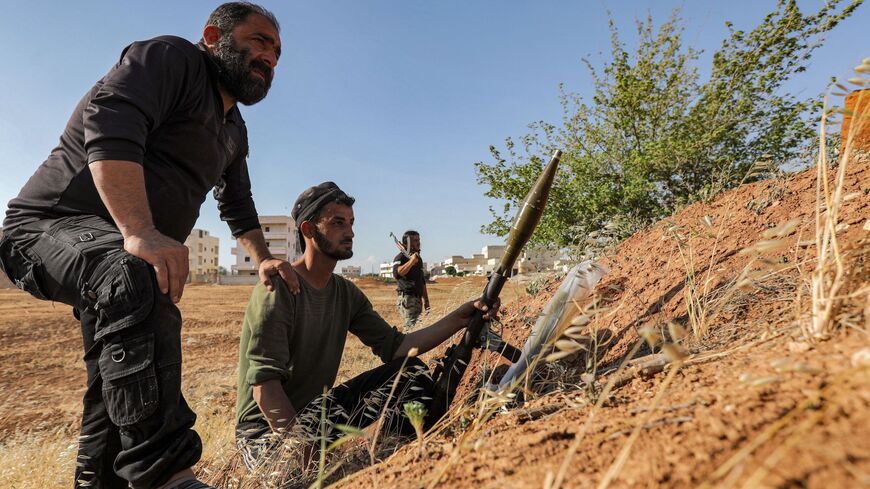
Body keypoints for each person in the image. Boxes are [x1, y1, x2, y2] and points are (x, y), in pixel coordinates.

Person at [0, 3, 299, 488]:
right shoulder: (171, 59)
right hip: (45, 227)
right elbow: (111, 119)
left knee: (114, 387)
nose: (271, 57)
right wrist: (139, 231)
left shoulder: (232, 129)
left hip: (116, 256)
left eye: (278, 51)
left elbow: (237, 204)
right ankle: (169, 475)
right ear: (212, 35)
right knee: (134, 274)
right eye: (260, 41)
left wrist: (264, 260)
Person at [235, 182, 497, 474]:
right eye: (337, 223)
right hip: (264, 430)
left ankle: (392, 466)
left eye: (351, 223)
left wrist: (459, 319)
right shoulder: (279, 288)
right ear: (308, 230)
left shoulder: (346, 294)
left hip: (314, 415)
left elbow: (397, 347)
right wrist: (305, 454)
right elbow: (264, 389)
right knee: (296, 475)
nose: (350, 232)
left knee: (411, 374)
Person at [392, 230, 430, 331]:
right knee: (411, 329)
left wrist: (426, 301)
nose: (419, 243)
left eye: (419, 240)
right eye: (415, 240)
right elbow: (397, 273)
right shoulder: (400, 257)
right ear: (407, 244)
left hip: (417, 300)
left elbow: (421, 280)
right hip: (407, 299)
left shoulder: (419, 259)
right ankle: (404, 346)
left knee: (417, 329)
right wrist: (411, 261)